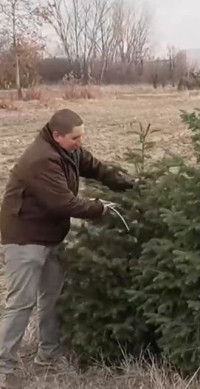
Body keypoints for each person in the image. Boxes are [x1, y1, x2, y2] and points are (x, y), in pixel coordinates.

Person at [0, 109, 135, 386]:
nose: (80, 142)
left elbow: (96, 168)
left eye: (81, 136)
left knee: (52, 298)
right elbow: (63, 203)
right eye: (75, 138)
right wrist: (101, 208)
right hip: (25, 239)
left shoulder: (68, 151)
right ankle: (4, 368)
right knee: (21, 303)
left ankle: (48, 355)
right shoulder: (41, 159)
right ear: (57, 135)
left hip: (51, 236)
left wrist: (129, 186)